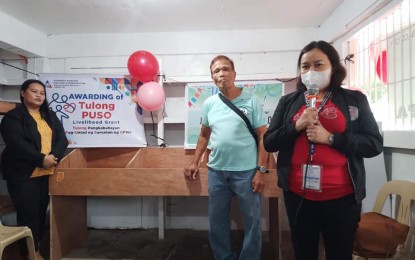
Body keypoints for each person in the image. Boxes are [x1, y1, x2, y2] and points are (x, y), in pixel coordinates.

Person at [263, 41, 383, 260]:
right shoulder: (288, 101)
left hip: (343, 199)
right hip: (299, 197)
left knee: (340, 254)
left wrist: (331, 138)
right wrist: (296, 126)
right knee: (304, 253)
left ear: (333, 67)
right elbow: (269, 142)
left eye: (318, 65)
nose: (311, 71)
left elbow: (373, 144)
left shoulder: (354, 100)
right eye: (305, 66)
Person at [184, 55, 269, 260]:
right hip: (217, 172)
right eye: (216, 71)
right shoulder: (210, 103)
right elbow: (204, 134)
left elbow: (263, 136)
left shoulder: (251, 101)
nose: (221, 74)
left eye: (225, 69)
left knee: (252, 221)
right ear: (212, 77)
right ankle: (223, 257)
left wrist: (261, 170)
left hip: (246, 172)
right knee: (217, 222)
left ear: (234, 73)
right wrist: (195, 161)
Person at [1, 79, 68, 260]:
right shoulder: (13, 117)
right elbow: (16, 144)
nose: (39, 95)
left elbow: (62, 139)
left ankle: (35, 247)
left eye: (42, 93)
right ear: (23, 93)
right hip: (23, 174)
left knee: (40, 213)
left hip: (46, 173)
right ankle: (30, 254)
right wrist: (40, 159)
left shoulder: (49, 115)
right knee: (28, 214)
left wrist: (53, 157)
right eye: (34, 91)